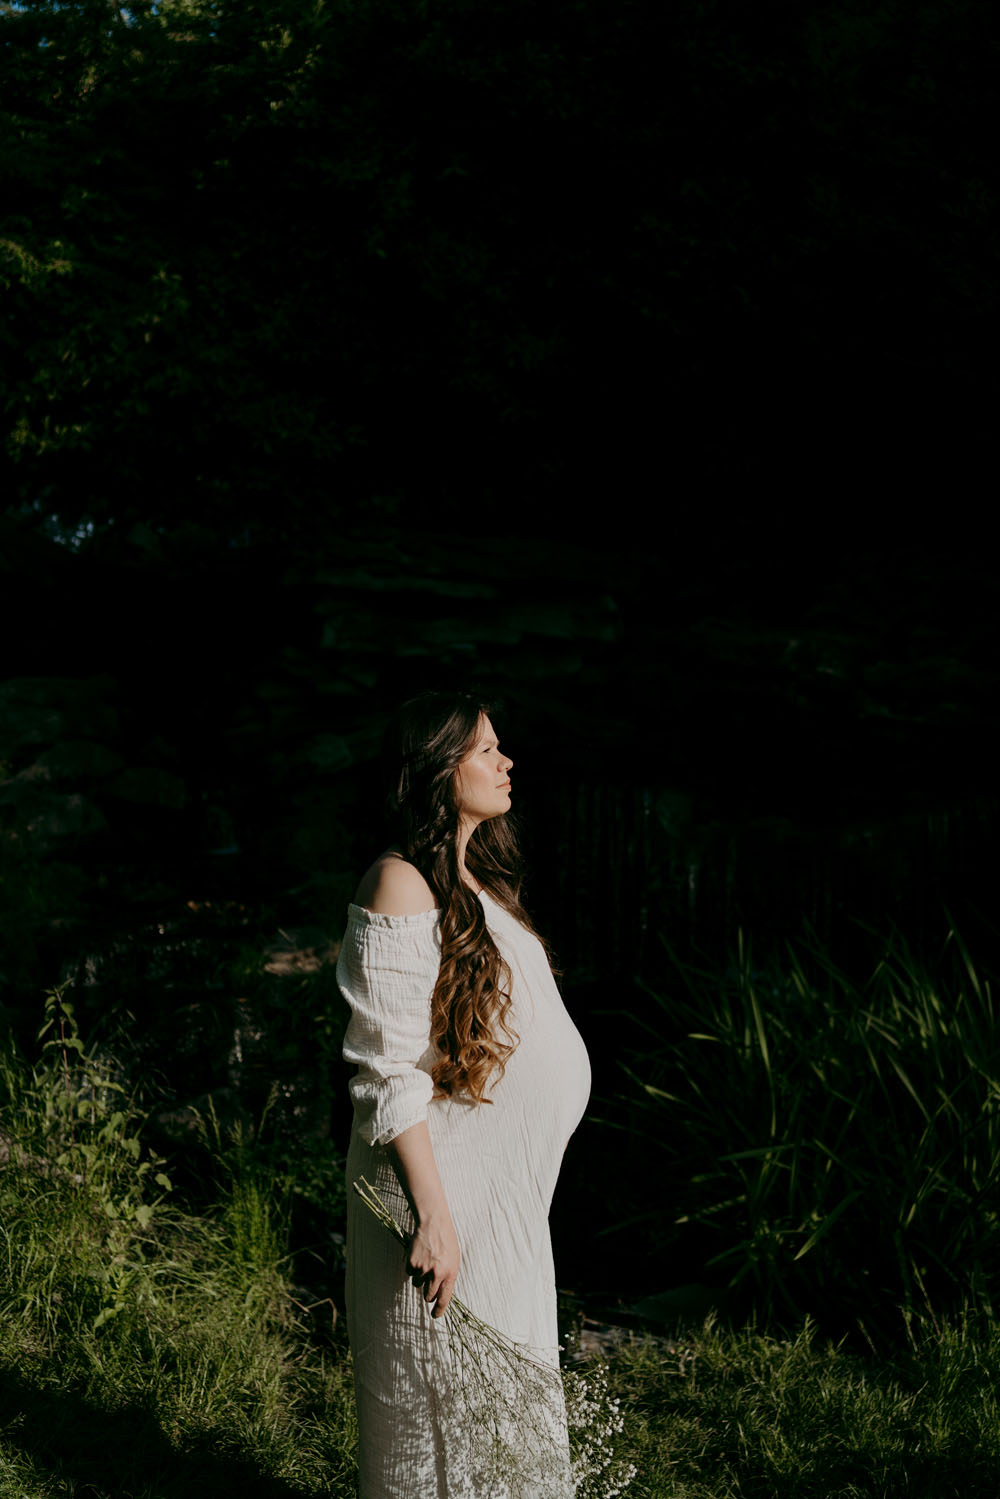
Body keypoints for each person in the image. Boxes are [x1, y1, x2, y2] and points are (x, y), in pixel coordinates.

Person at [337, 690, 592, 1498]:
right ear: (441, 770)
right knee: (437, 1421)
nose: (505, 761)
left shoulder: (474, 886)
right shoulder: (399, 882)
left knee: (504, 1426)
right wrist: (435, 1217)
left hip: (500, 1205)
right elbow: (387, 1069)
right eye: (485, 749)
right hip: (441, 1208)